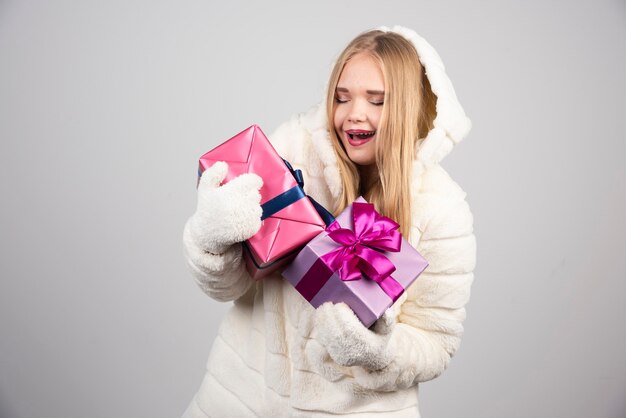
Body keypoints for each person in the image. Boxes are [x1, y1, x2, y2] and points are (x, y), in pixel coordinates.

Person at [182, 25, 476, 417]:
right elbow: (228, 287)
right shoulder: (291, 154)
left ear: (406, 107)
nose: (354, 113)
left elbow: (435, 343)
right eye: (342, 98)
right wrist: (211, 239)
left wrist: (376, 352)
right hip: (242, 400)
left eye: (377, 101)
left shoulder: (442, 209)